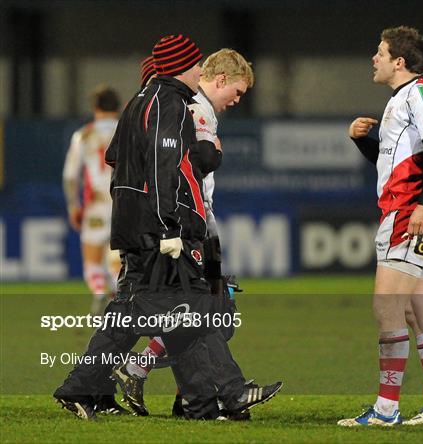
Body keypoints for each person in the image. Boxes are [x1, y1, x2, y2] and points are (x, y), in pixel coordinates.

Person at [53, 34, 282, 421]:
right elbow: (173, 170)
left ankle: (197, 400)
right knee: (200, 308)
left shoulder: (147, 104)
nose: (200, 71)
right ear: (216, 78)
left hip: (177, 225)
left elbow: (121, 160)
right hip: (183, 227)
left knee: (182, 309)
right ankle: (217, 395)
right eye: (196, 66)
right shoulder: (184, 106)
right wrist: (169, 225)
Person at [112, 48, 255, 418]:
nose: (236, 102)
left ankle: (186, 393)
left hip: (200, 226)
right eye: (236, 92)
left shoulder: (185, 105)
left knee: (206, 309)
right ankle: (197, 394)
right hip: (195, 228)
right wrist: (214, 153)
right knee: (206, 309)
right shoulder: (197, 108)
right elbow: (197, 162)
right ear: (220, 80)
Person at [337, 26, 423, 427]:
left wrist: (422, 205)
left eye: (380, 52)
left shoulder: (419, 93)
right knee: (416, 309)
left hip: (411, 215)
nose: (375, 58)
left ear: (399, 61)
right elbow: (399, 163)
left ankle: (387, 409)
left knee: (386, 306)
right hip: (418, 212)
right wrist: (363, 142)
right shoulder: (400, 100)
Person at [62, 85, 122, 316]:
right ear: (117, 107)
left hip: (96, 203)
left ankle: (99, 291)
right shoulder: (128, 130)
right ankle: (120, 297)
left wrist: (73, 205)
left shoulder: (83, 135)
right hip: (123, 202)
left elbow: (70, 177)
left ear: (95, 107)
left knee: (93, 263)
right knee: (120, 262)